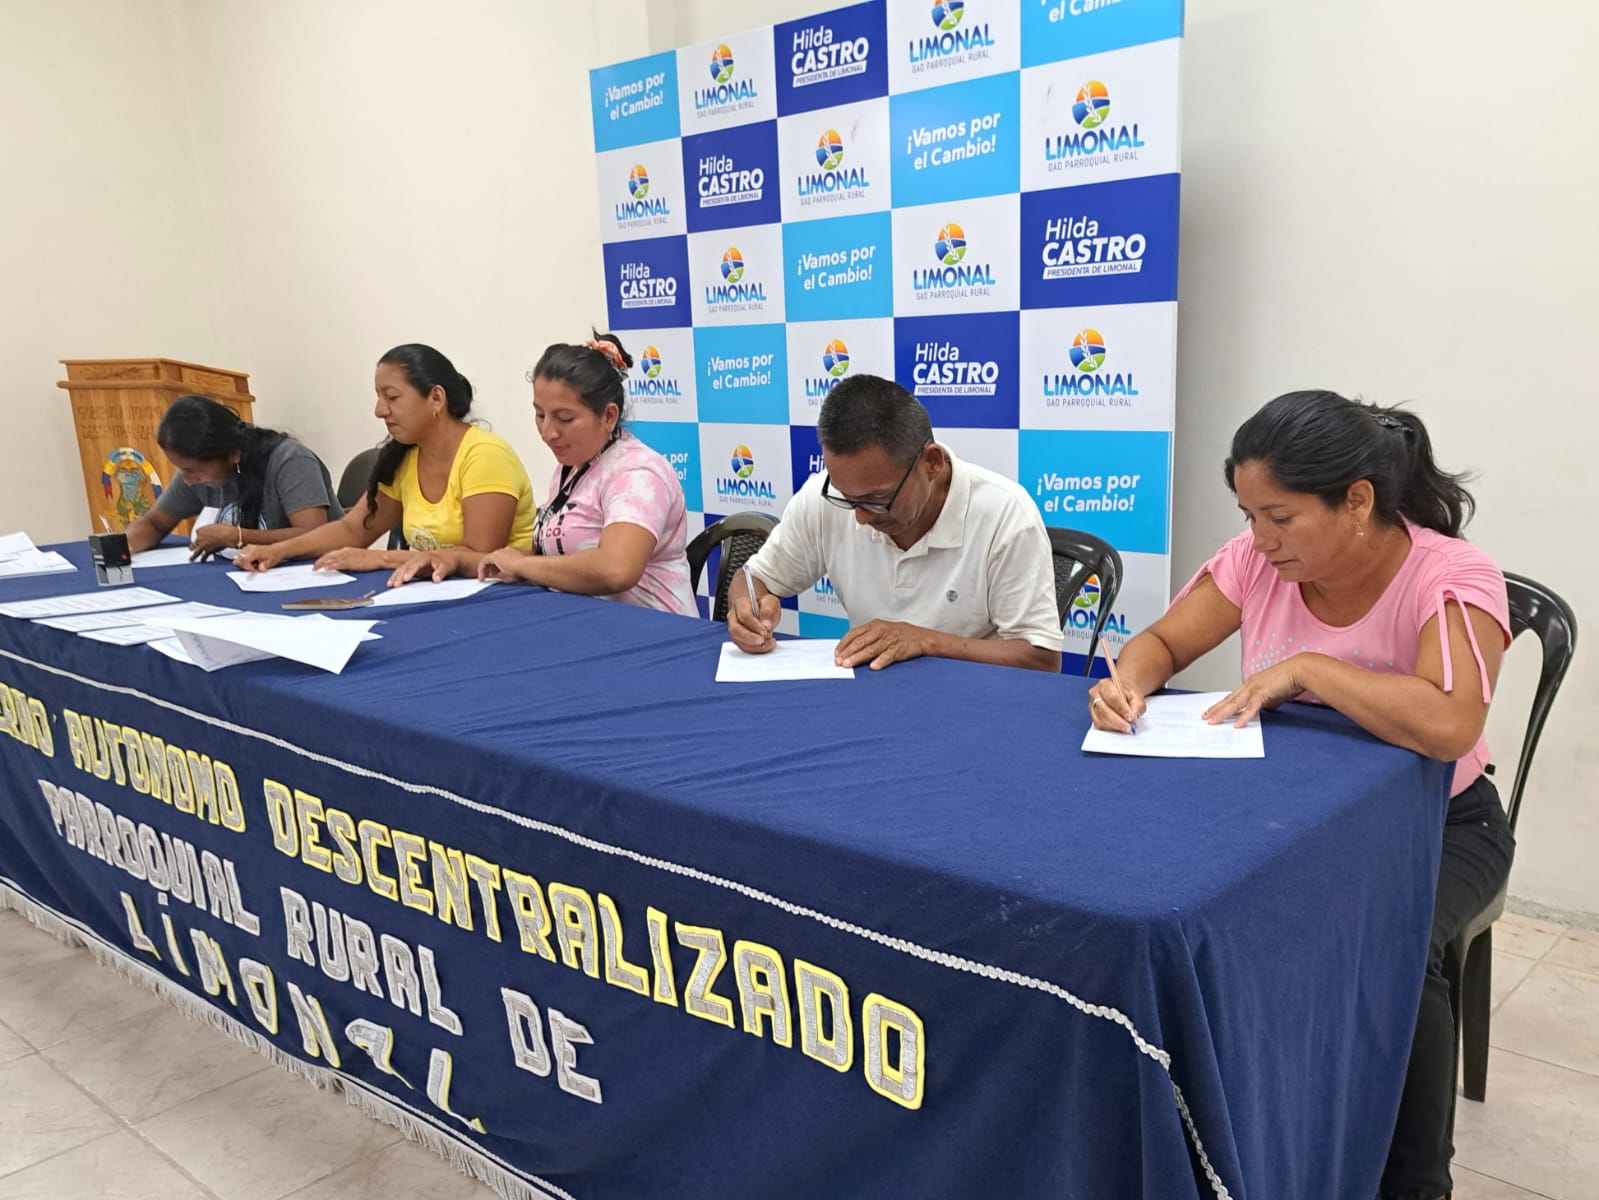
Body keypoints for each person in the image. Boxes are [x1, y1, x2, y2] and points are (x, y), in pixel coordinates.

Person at [1087, 390, 1513, 1200]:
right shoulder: (1256, 562)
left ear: (1356, 501)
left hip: (1442, 825)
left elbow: (1449, 723)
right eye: (1248, 516)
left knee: (1395, 943)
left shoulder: (1451, 574)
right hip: (1292, 820)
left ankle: (1414, 1182)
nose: (1259, 540)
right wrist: (1128, 684)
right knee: (1196, 914)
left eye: (1278, 518)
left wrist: (1310, 669)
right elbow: (1164, 641)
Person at [729, 375, 1062, 672]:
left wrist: (925, 641)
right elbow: (753, 578)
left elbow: (1042, 660)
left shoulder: (1006, 514)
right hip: (869, 692)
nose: (860, 517)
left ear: (932, 463)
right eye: (847, 498)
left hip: (972, 700)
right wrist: (747, 610)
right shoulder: (824, 497)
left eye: (877, 500)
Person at [400, 333, 697, 615]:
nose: (548, 432)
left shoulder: (637, 472)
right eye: (540, 415)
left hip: (657, 630)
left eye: (564, 418)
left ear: (609, 416)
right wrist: (454, 559)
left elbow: (616, 569)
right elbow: (553, 562)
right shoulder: (572, 468)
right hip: (588, 622)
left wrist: (522, 566)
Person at [234, 344, 535, 577]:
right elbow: (352, 529)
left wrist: (381, 558)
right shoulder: (406, 457)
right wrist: (278, 551)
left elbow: (480, 557)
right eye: (378, 397)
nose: (379, 410)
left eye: (391, 397)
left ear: (436, 398)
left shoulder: (485, 455)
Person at [125, 395, 342, 559]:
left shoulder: (290, 460)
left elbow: (315, 535)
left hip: (320, 570)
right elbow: (154, 523)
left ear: (233, 454)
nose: (188, 480)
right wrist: (122, 548)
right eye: (182, 470)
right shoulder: (196, 471)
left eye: (192, 470)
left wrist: (237, 537)